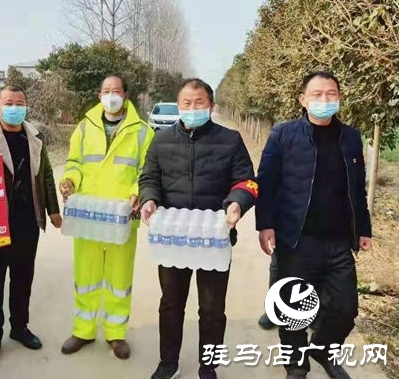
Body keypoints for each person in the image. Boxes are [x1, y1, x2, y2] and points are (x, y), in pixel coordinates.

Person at [256, 71, 373, 379]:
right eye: (317, 95)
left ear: (339, 98)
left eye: (331, 94)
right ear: (303, 100)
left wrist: (363, 228)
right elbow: (266, 183)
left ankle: (323, 348)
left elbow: (357, 188)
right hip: (296, 239)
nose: (325, 100)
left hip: (338, 240)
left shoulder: (351, 137)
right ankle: (296, 367)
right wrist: (265, 225)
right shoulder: (284, 135)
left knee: (346, 309)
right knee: (293, 310)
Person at [139, 78, 258, 379]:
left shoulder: (230, 140)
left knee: (212, 308)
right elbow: (149, 177)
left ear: (211, 105)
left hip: (213, 238)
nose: (193, 108)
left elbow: (247, 181)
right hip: (174, 238)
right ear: (179, 105)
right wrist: (149, 199)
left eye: (199, 103)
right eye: (187, 103)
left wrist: (237, 203)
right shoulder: (161, 140)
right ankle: (168, 362)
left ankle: (209, 366)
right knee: (171, 304)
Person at [59, 75, 154, 360]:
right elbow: (74, 162)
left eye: (116, 91)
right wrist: (69, 181)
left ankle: (115, 333)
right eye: (106, 91)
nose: (111, 95)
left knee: (119, 278)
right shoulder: (84, 127)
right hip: (88, 215)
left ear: (125, 96)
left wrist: (137, 193)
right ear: (99, 95)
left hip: (121, 217)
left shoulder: (143, 132)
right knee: (86, 276)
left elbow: (147, 171)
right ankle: (83, 330)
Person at [0, 85, 62, 365]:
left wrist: (53, 209)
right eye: (8, 103)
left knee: (23, 277)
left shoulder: (34, 137)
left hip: (27, 219)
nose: (14, 108)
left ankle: (19, 327)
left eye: (19, 103)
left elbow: (46, 174)